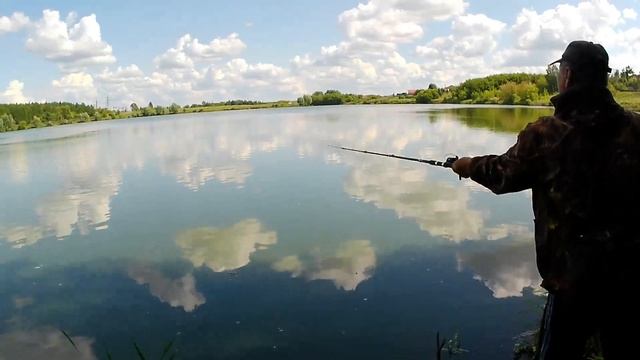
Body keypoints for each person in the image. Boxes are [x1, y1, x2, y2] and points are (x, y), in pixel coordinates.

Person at [452, 41, 640, 359]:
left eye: (559, 72)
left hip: (571, 280)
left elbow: (502, 174)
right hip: (627, 274)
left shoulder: (548, 133)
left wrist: (468, 165)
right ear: (604, 79)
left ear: (566, 76)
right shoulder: (636, 128)